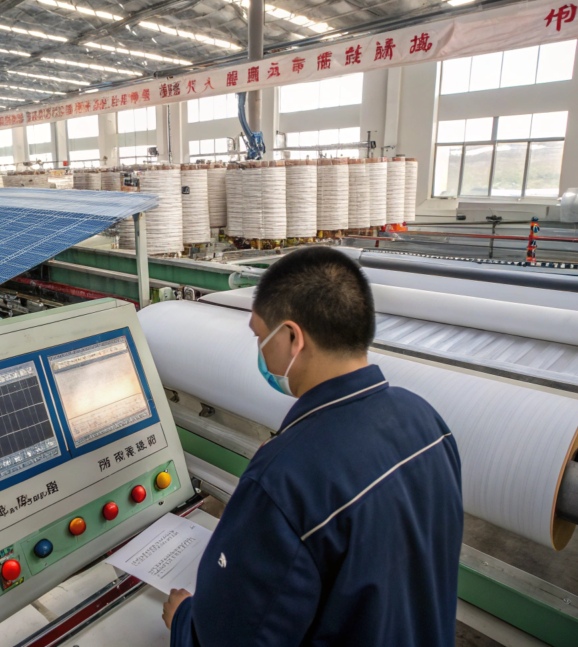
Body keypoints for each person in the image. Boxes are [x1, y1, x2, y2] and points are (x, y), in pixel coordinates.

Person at [162, 246, 463, 647]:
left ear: (292, 338)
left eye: (259, 336)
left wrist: (184, 622)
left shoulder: (285, 478)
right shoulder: (427, 421)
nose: (259, 349)